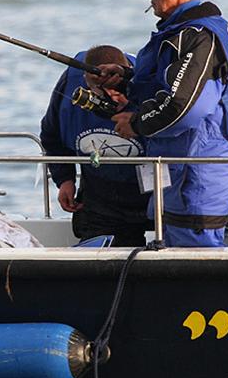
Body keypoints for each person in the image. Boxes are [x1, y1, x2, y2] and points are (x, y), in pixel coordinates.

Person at [103, 0, 228, 247]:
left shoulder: (199, 36)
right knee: (177, 252)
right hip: (185, 169)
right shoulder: (196, 32)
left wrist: (136, 123)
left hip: (197, 172)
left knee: (194, 259)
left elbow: (184, 107)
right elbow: (174, 84)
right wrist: (126, 77)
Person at [40, 45, 151, 246]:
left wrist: (138, 119)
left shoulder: (150, 82)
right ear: (86, 82)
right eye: (104, 92)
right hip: (100, 192)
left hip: (155, 186)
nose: (114, 98)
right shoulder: (71, 83)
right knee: (101, 252)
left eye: (119, 90)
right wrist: (64, 179)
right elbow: (51, 135)